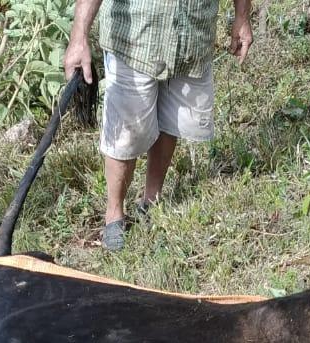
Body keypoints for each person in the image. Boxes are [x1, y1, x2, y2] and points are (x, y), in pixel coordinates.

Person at [64, 0, 253, 251]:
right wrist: (79, 37)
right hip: (134, 40)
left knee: (171, 116)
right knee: (126, 134)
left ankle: (151, 200)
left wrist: (242, 16)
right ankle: (114, 215)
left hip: (191, 36)